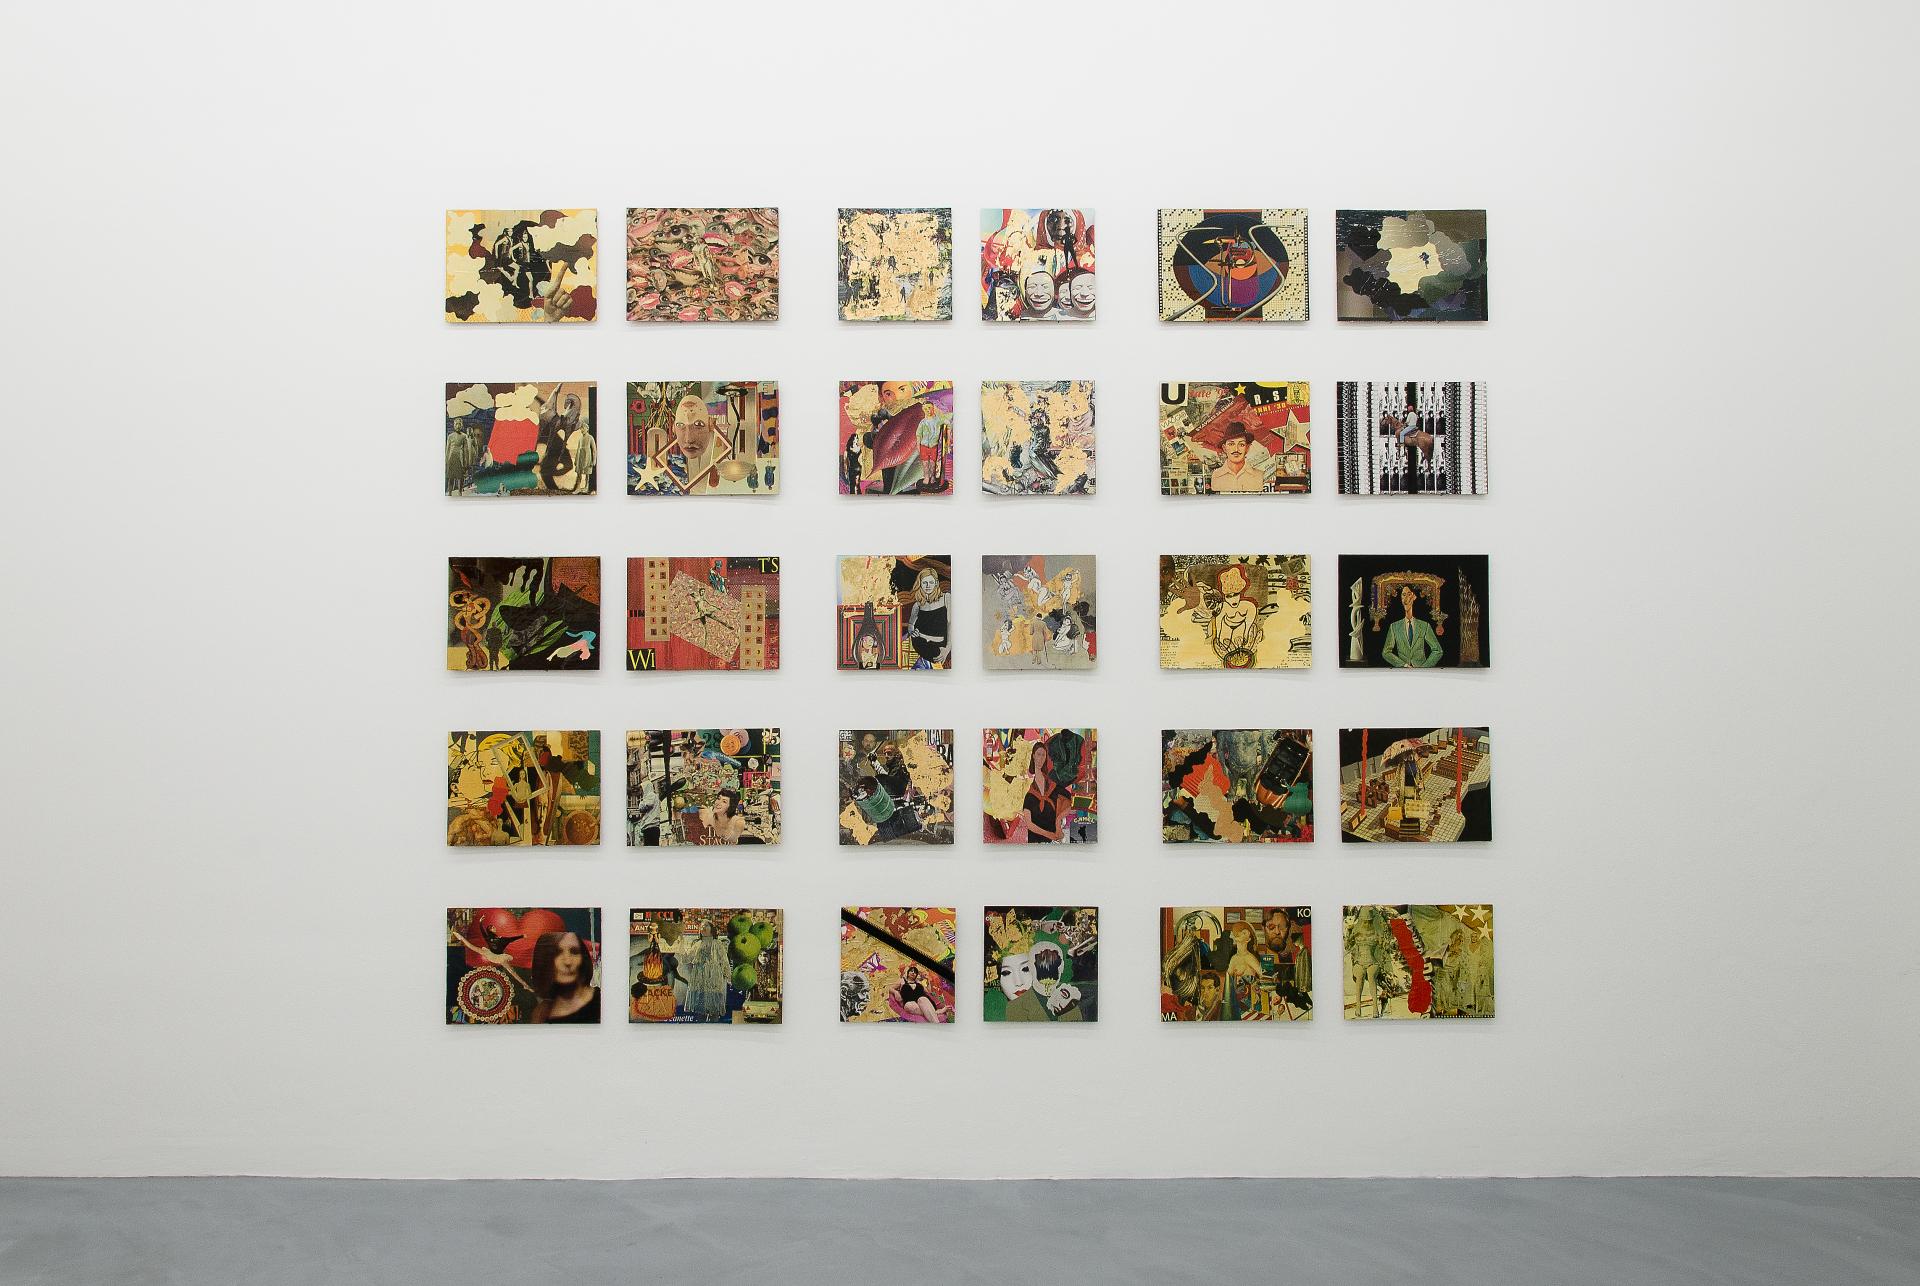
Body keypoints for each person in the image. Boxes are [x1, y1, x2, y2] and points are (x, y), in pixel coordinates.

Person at [529, 930, 599, 1023]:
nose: (568, 962)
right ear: (544, 960)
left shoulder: (604, 1001)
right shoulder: (540, 1015)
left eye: (574, 952)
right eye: (556, 953)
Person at [1381, 584, 1443, 668]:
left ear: (1414, 597)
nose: (1406, 598)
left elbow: (1438, 650)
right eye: (1403, 595)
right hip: (1402, 671)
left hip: (1422, 671)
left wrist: (1425, 667)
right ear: (1401, 598)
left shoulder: (1424, 626)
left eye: (1409, 594)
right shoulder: (1394, 627)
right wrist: (1403, 664)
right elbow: (1386, 652)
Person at [905, 568, 949, 668]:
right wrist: (912, 632)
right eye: (925, 582)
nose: (928, 586)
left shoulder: (946, 598)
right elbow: (910, 625)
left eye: (931, 582)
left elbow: (950, 624)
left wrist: (947, 649)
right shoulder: (917, 605)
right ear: (920, 584)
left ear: (936, 583)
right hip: (920, 644)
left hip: (940, 645)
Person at [1208, 423, 1267, 493]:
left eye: (1241, 444)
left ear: (1247, 448)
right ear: (1224, 448)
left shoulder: (1259, 475)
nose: (1236, 449)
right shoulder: (1216, 476)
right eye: (1231, 444)